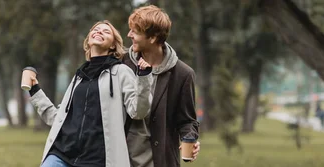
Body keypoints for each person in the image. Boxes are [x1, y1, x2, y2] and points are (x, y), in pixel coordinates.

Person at [27, 20, 153, 167]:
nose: (99, 31)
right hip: (61, 154)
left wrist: (143, 78)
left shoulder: (121, 72)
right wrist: (35, 91)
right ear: (89, 40)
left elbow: (138, 111)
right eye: (96, 29)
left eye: (106, 31)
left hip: (98, 159)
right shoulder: (79, 77)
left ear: (113, 45)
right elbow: (59, 119)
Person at [122, 5, 200, 167]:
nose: (129, 35)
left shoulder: (183, 74)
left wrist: (190, 139)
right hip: (122, 159)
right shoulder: (122, 63)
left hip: (160, 161)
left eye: (135, 32)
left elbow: (187, 121)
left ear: (153, 38)